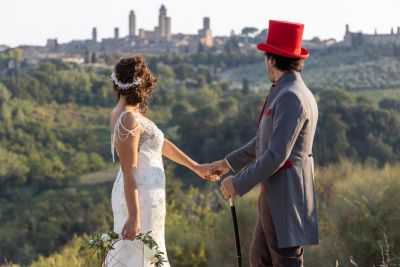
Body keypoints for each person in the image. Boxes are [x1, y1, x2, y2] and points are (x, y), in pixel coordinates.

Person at [209, 20, 319, 267]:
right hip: (274, 194)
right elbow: (262, 141)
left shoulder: (291, 95)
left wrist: (237, 184)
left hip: (287, 196)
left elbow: (276, 154)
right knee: (260, 259)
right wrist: (227, 163)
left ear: (271, 59)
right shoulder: (285, 90)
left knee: (285, 261)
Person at [105, 56, 217, 266]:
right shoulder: (128, 118)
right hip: (139, 197)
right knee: (140, 255)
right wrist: (134, 215)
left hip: (140, 193)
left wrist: (195, 167)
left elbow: (161, 143)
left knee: (142, 253)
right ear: (141, 84)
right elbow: (129, 170)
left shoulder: (126, 113)